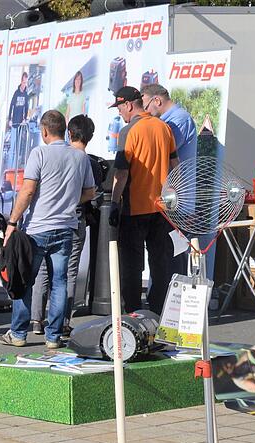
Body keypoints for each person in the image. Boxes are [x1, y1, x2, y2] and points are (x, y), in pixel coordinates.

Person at [0, 110, 95, 349]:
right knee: (59, 282)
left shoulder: (39, 153)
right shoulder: (80, 157)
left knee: (26, 280)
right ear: (65, 131)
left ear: (44, 131)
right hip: (66, 227)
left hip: (38, 228)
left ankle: (18, 333)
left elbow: (28, 191)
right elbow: (90, 192)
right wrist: (69, 201)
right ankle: (53, 337)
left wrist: (12, 222)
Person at [29, 115, 105, 338]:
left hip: (44, 220)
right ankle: (61, 322)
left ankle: (36, 319)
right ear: (90, 136)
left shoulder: (49, 155)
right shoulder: (89, 162)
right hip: (73, 221)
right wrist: (71, 201)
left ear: (69, 133)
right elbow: (92, 194)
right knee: (66, 274)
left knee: (42, 272)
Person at [108, 86, 178, 314]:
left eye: (119, 107)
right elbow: (175, 166)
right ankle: (158, 311)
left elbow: (121, 173)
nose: (119, 112)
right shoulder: (164, 128)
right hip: (162, 208)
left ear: (128, 105)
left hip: (135, 208)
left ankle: (133, 314)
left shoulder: (129, 131)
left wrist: (115, 203)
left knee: (132, 265)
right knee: (160, 263)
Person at [141, 83, 197, 278]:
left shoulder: (178, 120)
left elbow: (162, 151)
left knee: (173, 256)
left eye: (145, 106)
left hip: (179, 203)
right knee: (164, 256)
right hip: (170, 200)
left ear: (157, 100)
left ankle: (174, 294)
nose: (145, 112)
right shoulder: (170, 121)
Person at [7, 72, 30, 168]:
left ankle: (14, 168)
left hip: (21, 124)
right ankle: (10, 167)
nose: (25, 84)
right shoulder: (16, 93)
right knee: (12, 147)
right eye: (24, 82)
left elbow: (26, 108)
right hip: (14, 123)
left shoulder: (26, 95)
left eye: (26, 82)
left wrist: (25, 119)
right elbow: (11, 106)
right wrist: (10, 119)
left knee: (17, 148)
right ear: (21, 81)